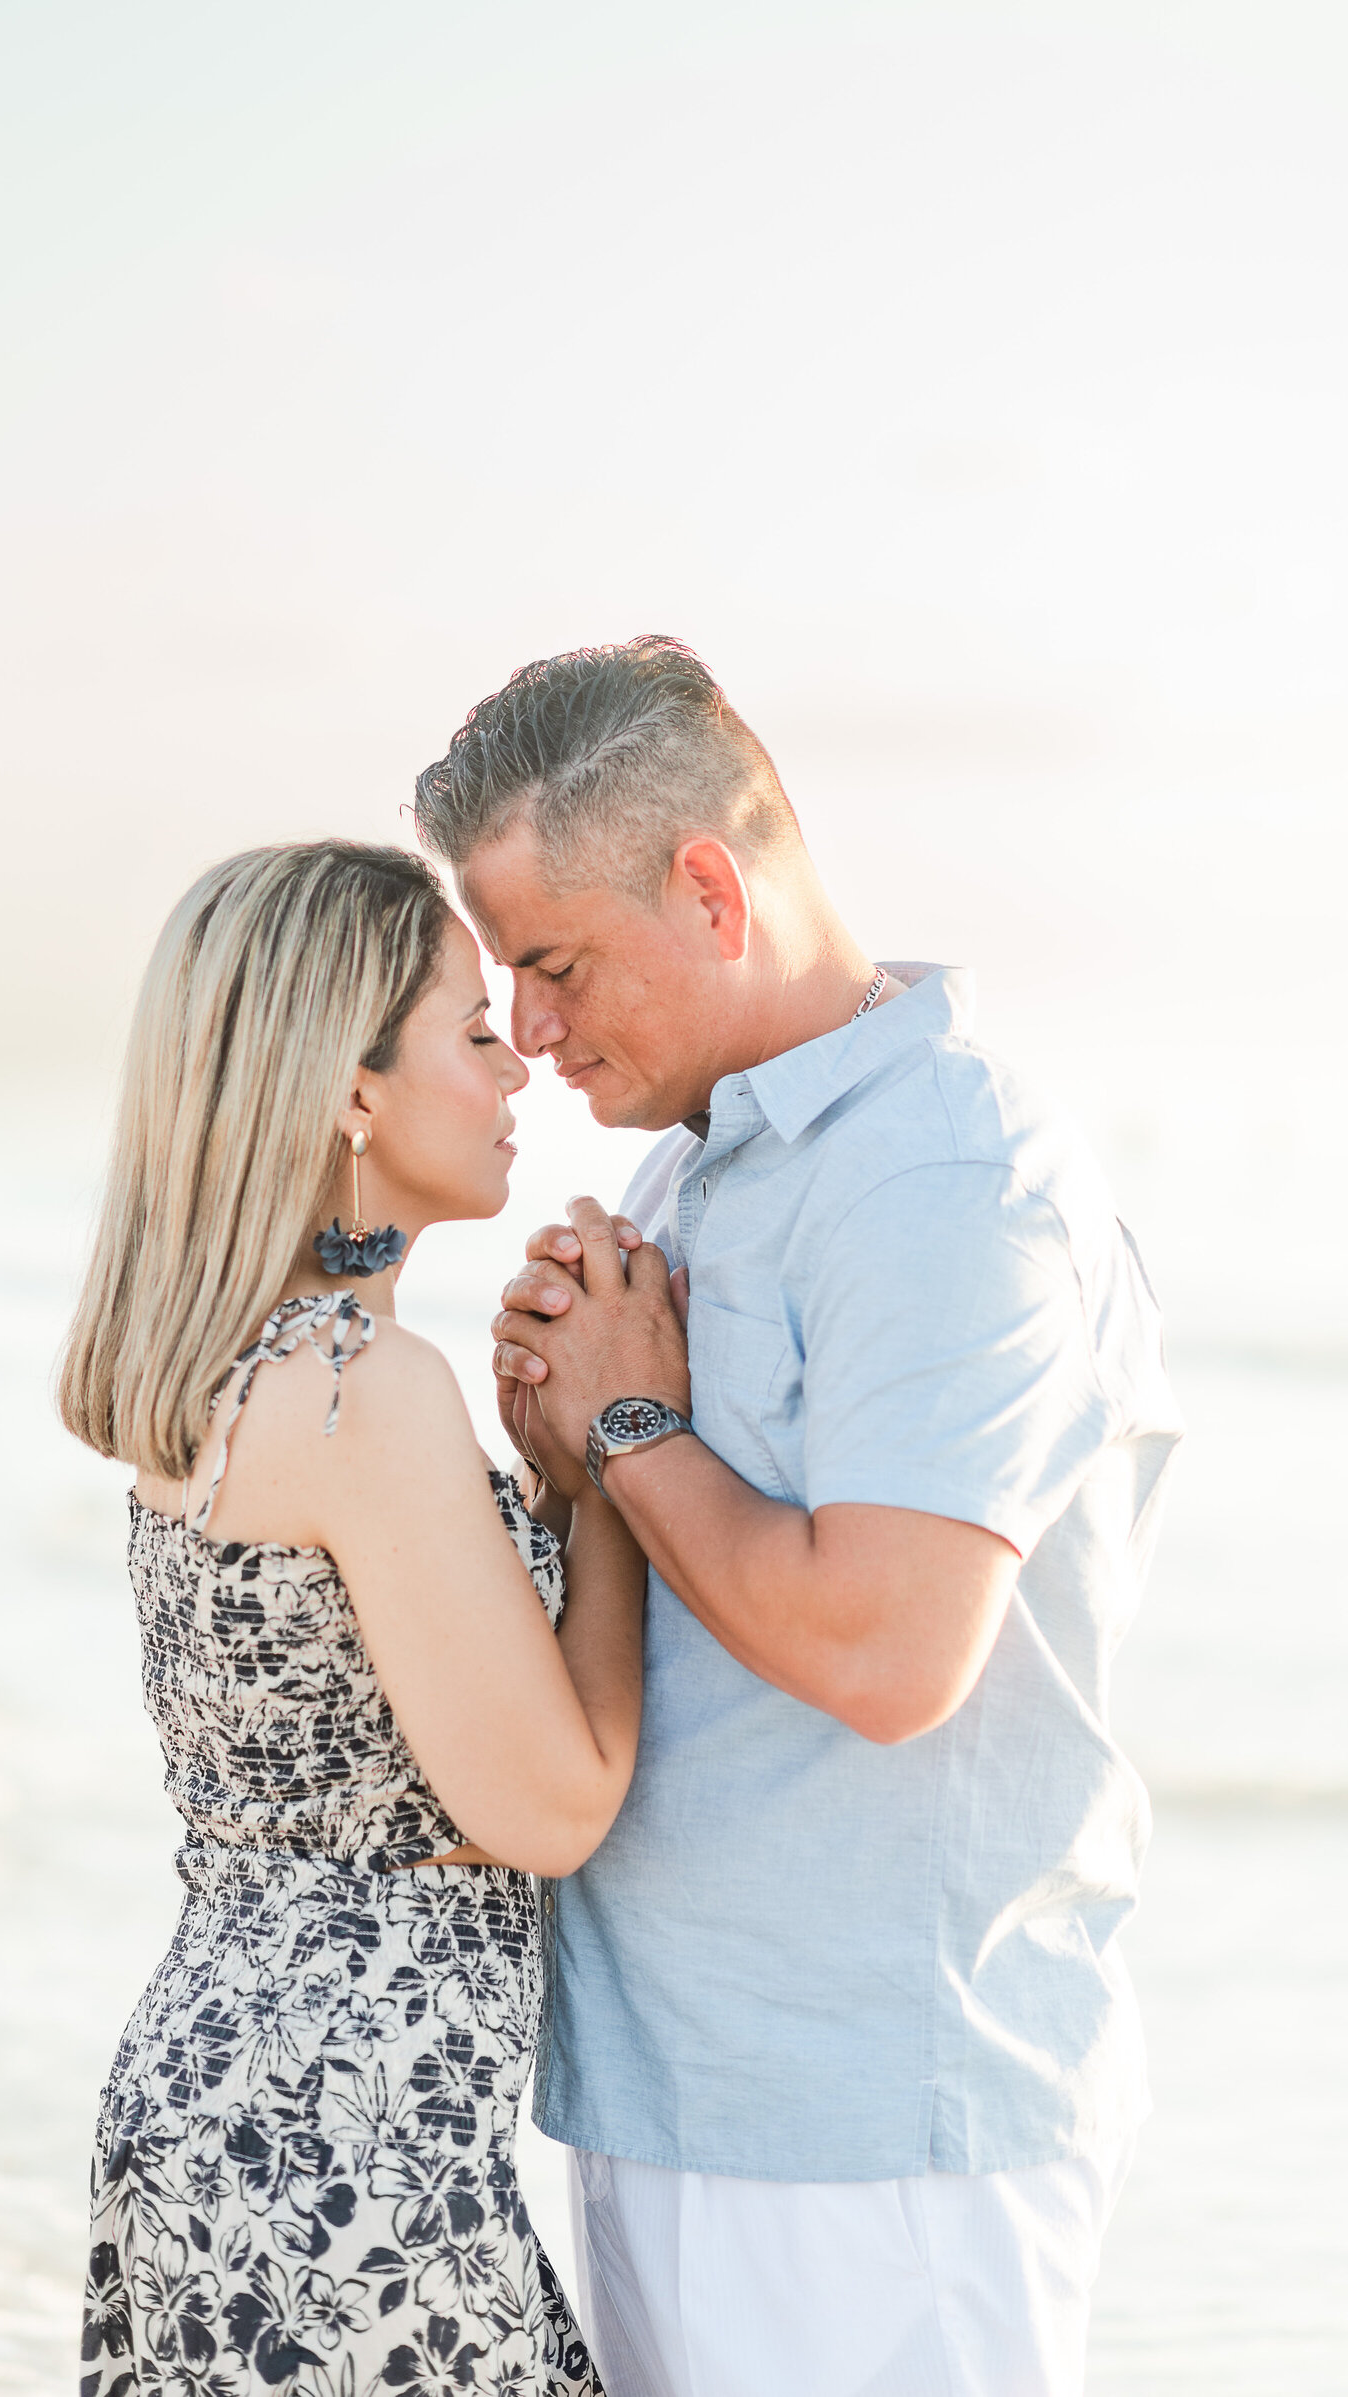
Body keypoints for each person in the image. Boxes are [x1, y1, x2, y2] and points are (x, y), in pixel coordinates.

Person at [413, 638, 1184, 2397]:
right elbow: (679, 1556)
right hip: (685, 2091)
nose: (530, 1028)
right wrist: (570, 1450)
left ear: (707, 888)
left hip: (876, 2134)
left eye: (554, 962)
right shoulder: (705, 1160)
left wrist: (632, 1422)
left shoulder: (947, 1176)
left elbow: (888, 1649)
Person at [57, 840, 645, 2397]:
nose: (517, 1056)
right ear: (351, 1092)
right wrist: (615, 1473)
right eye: (468, 1028)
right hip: (343, 2153)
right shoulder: (361, 1393)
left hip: (219, 2119)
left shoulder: (218, 1379)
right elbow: (557, 1804)